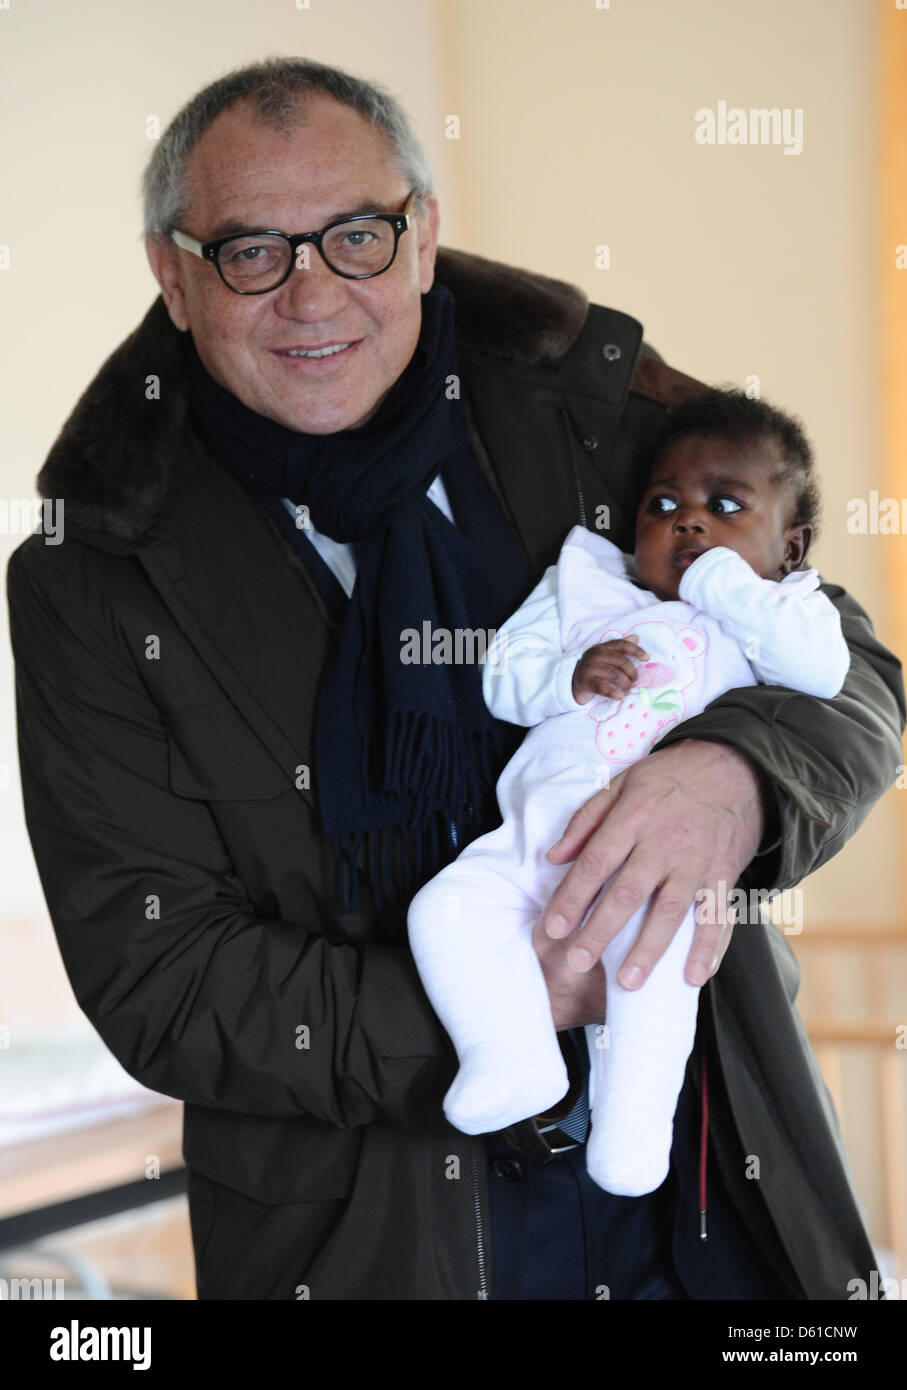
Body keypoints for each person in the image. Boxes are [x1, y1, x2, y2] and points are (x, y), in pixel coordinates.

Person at [6, 56, 904, 1300]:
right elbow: (162, 979)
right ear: (174, 274)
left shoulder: (593, 417)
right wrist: (509, 994)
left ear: (423, 239)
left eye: (356, 236)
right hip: (371, 1238)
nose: (312, 292)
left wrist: (736, 778)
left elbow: (849, 673)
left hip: (711, 1181)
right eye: (252, 250)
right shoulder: (91, 578)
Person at [408, 390, 850, 1201]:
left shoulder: (778, 612)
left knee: (650, 977)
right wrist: (565, 678)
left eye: (724, 507)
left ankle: (634, 1125)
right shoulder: (583, 585)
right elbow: (501, 676)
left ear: (789, 545)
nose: (688, 523)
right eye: (664, 504)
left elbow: (824, 676)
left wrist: (721, 583)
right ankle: (512, 1059)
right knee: (442, 912)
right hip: (532, 841)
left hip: (658, 866)